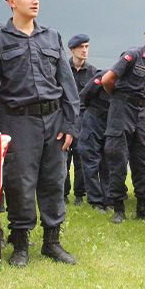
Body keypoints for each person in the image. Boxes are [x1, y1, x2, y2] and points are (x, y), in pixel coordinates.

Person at [0, 0, 80, 267]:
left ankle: (52, 242)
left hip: (54, 120)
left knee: (54, 180)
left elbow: (68, 84)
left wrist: (71, 124)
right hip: (18, 121)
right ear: (12, 2)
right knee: (19, 182)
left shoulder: (52, 37)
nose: (35, 0)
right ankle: (20, 243)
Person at [101, 23, 145, 223]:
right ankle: (118, 208)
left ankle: (142, 207)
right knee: (118, 157)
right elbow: (107, 79)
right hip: (122, 107)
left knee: (142, 157)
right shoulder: (133, 55)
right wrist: (118, 97)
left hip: (144, 110)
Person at [64, 33, 96, 205]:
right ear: (72, 50)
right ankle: (63, 194)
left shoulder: (92, 72)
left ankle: (79, 195)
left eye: (87, 47)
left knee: (81, 159)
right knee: (63, 160)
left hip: (84, 120)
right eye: (81, 47)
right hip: (65, 119)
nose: (84, 50)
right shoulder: (63, 69)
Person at [78, 70, 112, 211]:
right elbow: (84, 96)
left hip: (111, 121)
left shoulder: (129, 82)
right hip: (93, 118)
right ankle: (96, 201)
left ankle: (108, 199)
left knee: (108, 162)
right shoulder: (103, 76)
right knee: (91, 160)